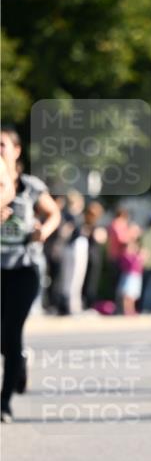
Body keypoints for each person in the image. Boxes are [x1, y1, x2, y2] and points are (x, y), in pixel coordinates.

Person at [0, 127, 61, 423]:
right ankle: (20, 362)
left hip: (24, 269)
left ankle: (4, 403)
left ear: (16, 150)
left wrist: (43, 232)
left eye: (2, 145)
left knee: (11, 333)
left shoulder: (29, 186)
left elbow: (54, 214)